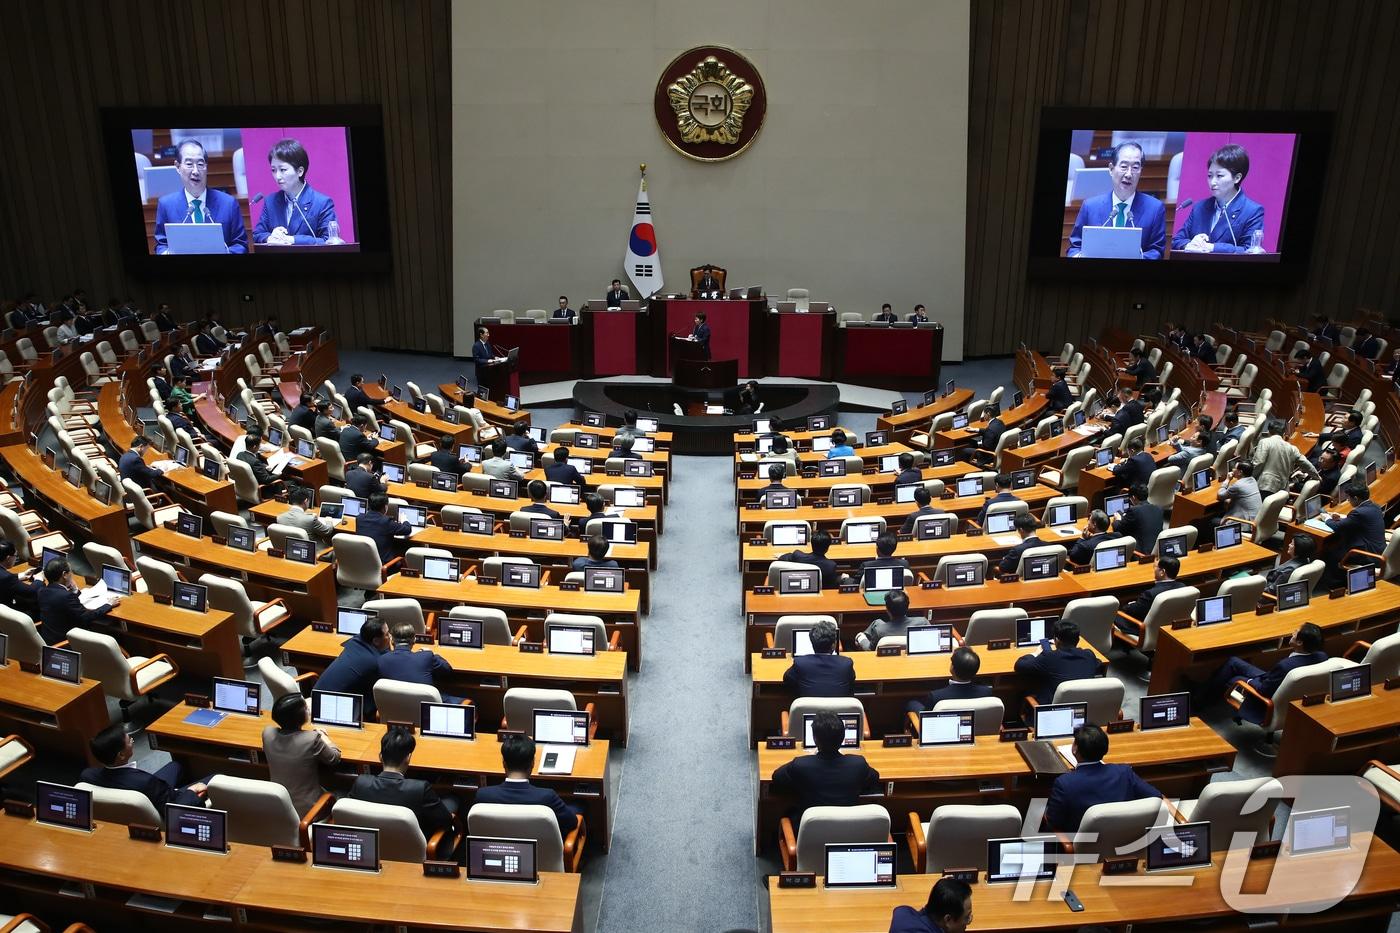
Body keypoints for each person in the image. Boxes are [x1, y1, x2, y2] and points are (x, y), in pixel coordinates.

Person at [1197, 623, 1328, 724]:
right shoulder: (1322, 656)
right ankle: (1204, 688)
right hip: (1278, 683)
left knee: (1235, 677)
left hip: (1267, 695)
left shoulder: (1285, 666)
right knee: (1233, 662)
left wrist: (1247, 681)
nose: (1293, 633)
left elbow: (1264, 690)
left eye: (1296, 632)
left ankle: (1200, 700)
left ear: (1300, 642)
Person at [769, 710, 880, 829]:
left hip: (809, 832)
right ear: (843, 738)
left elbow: (777, 777)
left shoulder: (801, 765)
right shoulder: (858, 764)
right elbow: (875, 777)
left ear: (815, 739)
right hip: (847, 831)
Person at [1045, 725, 1162, 832]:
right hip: (1126, 842)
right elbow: (1156, 797)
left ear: (1075, 749)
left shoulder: (1065, 783)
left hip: (1084, 847)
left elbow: (1053, 822)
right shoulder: (1124, 772)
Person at [1066, 140, 1167, 260]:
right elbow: (1074, 247)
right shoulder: (1090, 206)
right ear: (1111, 169)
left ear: (1141, 171)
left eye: (1135, 167)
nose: (1129, 174)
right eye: (1124, 166)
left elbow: (1157, 251)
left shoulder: (1155, 209)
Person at [349, 727, 457, 836]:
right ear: (408, 758)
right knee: (452, 800)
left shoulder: (361, 783)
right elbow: (446, 822)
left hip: (370, 844)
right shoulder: (420, 789)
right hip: (413, 849)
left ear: (380, 757)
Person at [153, 139, 248, 254]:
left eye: (200, 164)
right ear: (177, 167)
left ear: (206, 167)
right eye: (189, 164)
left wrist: (225, 252)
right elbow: (161, 245)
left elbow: (241, 245)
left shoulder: (228, 203)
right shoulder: (166, 205)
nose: (196, 171)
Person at [80, 725, 206, 810]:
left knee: (176, 766)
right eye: (130, 741)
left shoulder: (88, 775)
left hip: (146, 790)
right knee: (213, 779)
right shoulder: (146, 782)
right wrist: (191, 791)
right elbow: (173, 810)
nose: (132, 743)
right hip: (165, 805)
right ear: (121, 755)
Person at [475, 734, 581, 835]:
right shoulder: (547, 797)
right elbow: (572, 823)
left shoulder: (483, 795)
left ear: (504, 763)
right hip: (541, 852)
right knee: (579, 806)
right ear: (533, 763)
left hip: (498, 850)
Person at [1171, 144, 1265, 254]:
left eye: (1219, 176)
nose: (1213, 182)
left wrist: (1211, 247)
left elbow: (1249, 249)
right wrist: (1189, 245)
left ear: (1237, 178)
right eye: (1210, 176)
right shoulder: (1199, 208)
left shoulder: (1252, 211)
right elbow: (1177, 240)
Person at [262, 694, 341, 817]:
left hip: (277, 804)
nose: (308, 709)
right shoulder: (312, 739)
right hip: (307, 810)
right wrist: (325, 739)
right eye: (305, 708)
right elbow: (334, 758)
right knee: (335, 795)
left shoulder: (267, 733)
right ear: (298, 717)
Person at [252, 138, 338, 245]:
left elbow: (329, 241)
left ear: (300, 171)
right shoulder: (270, 202)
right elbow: (257, 234)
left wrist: (292, 239)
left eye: (283, 170)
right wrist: (270, 237)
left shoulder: (322, 203)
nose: (277, 176)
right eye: (273, 170)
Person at [317, 613, 390, 717]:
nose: (390, 636)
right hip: (332, 708)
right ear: (376, 641)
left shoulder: (354, 641)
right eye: (387, 634)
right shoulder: (373, 662)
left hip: (317, 695)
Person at [1014, 619, 1101, 705]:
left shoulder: (1049, 658)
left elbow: (1019, 665)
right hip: (1083, 708)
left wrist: (1035, 654)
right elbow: (1098, 663)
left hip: (1052, 710)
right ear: (1078, 640)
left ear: (1057, 640)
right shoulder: (1089, 655)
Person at [38, 557, 120, 644]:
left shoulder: (42, 591)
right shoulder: (66, 596)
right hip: (67, 643)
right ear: (64, 575)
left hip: (50, 639)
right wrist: (108, 604)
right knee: (107, 627)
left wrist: (75, 591)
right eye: (71, 571)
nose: (72, 574)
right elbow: (86, 617)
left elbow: (66, 605)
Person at [1322, 481, 1385, 586]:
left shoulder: (1358, 513)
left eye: (1349, 498)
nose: (1348, 500)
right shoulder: (1375, 507)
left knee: (1330, 552)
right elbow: (1360, 520)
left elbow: (1337, 527)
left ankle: (1336, 583)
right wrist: (1342, 518)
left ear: (1356, 498)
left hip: (1366, 555)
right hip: (1378, 551)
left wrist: (1327, 519)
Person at [379, 621, 456, 697]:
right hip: (423, 707)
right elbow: (447, 669)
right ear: (414, 640)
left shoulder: (382, 659)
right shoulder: (426, 656)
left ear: (392, 640)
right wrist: (431, 653)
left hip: (394, 706)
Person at [908, 647, 994, 713]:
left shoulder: (936, 696)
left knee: (911, 703)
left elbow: (926, 718)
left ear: (952, 668)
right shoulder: (987, 692)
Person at [782, 620, 855, 696]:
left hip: (807, 707)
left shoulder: (800, 663)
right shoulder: (846, 664)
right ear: (834, 645)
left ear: (812, 643)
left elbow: (787, 679)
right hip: (840, 707)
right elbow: (851, 684)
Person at [1253, 419, 1318, 496]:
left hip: (1265, 486)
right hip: (1282, 489)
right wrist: (1317, 476)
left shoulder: (1265, 442)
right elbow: (1306, 463)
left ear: (1268, 432)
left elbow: (1259, 463)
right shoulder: (1292, 448)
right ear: (1283, 434)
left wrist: (1250, 478)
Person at [888, 877, 973, 933]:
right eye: (967, 917)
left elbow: (900, 910)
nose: (969, 921)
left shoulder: (902, 913)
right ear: (948, 920)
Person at [1119, 555, 1185, 622]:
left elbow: (1134, 611)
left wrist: (1127, 605)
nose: (1154, 570)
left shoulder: (1150, 594)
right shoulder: (1183, 587)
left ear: (1162, 572)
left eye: (1155, 567)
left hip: (1142, 627)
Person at [358, 492, 413, 563]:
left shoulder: (359, 518)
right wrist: (404, 520)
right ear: (385, 507)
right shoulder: (385, 522)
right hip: (384, 564)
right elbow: (407, 530)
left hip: (363, 560)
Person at [1113, 483, 1163, 555]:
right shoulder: (1159, 508)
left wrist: (1117, 519)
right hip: (1157, 550)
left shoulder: (1134, 510)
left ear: (1133, 497)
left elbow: (1118, 528)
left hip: (1141, 553)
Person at [236, 427, 285, 498]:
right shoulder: (255, 462)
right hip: (264, 490)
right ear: (254, 447)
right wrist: (279, 474)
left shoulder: (240, 455)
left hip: (246, 486)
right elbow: (266, 480)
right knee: (292, 482)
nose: (259, 447)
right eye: (259, 445)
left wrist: (264, 467)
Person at [0, 541, 41, 611]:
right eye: (16, 556)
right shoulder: (7, 578)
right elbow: (31, 592)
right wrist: (39, 579)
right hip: (9, 614)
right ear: (8, 558)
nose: (16, 558)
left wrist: (21, 575)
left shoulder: (5, 576)